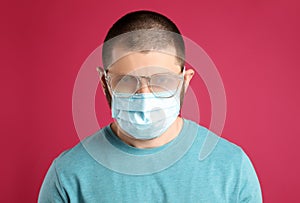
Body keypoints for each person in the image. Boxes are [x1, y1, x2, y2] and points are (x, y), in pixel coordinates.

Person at [38, 10, 262, 202]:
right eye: (127, 80)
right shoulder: (68, 175)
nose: (144, 97)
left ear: (184, 81)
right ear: (104, 83)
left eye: (162, 80)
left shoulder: (233, 168)